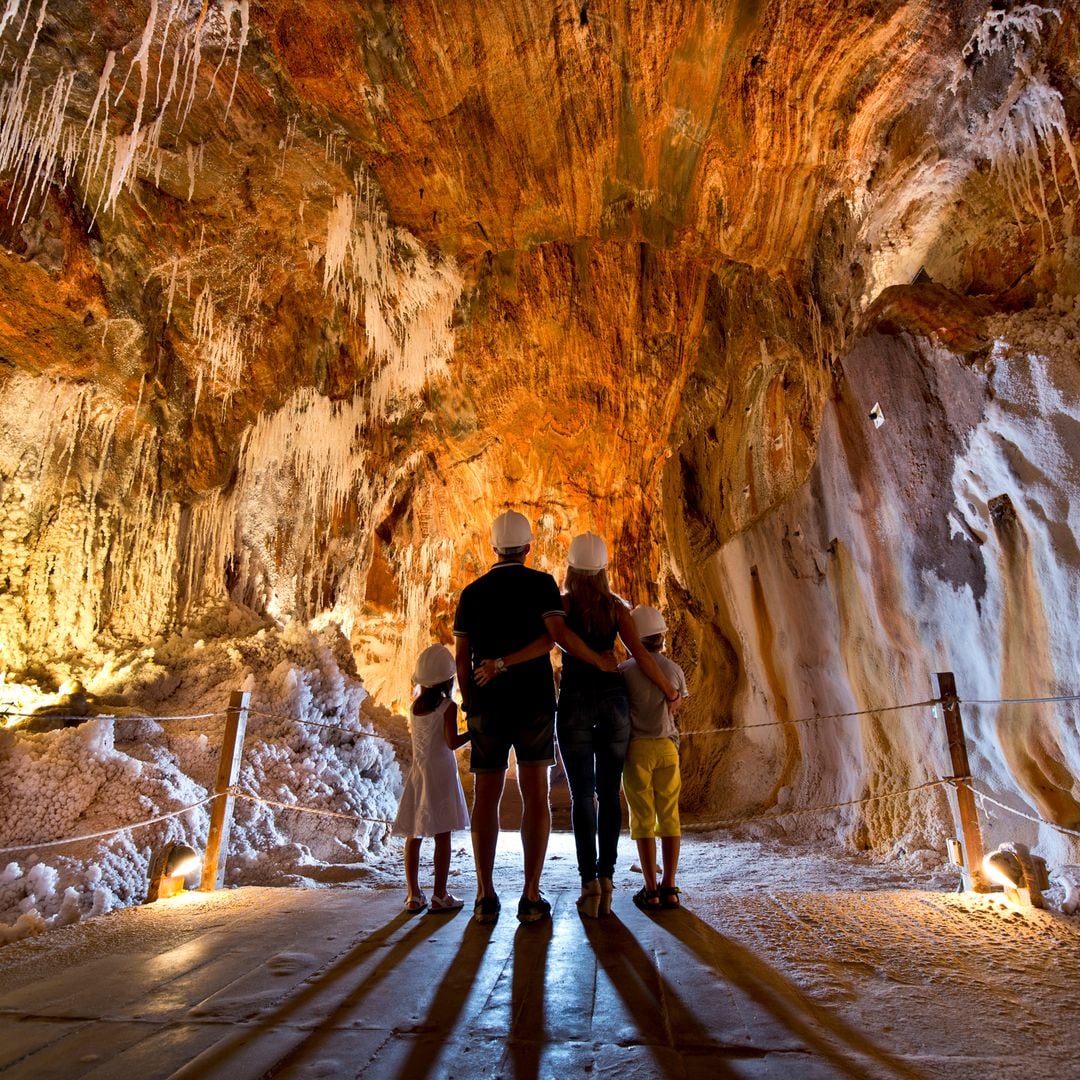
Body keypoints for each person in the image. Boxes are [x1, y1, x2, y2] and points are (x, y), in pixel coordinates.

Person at [455, 511, 616, 924]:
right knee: (535, 795)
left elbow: (462, 655)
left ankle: (484, 894)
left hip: (487, 703)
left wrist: (471, 699)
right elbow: (552, 639)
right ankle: (530, 895)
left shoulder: (472, 593)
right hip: (534, 702)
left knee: (485, 796)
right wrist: (510, 662)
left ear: (493, 548)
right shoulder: (542, 584)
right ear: (527, 547)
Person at [555, 533, 680, 918]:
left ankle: (589, 883)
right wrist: (668, 690)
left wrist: (590, 659)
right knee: (610, 795)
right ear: (604, 571)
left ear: (573, 570)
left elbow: (558, 639)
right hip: (613, 704)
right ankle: (608, 879)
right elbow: (640, 654)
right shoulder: (616, 608)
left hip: (575, 699)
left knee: (583, 797)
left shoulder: (562, 607)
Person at [392, 644, 471, 914]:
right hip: (441, 775)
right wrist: (473, 733)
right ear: (448, 680)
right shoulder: (448, 707)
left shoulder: (415, 707)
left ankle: (413, 894)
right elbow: (451, 743)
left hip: (419, 772)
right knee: (443, 835)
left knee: (414, 834)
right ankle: (440, 894)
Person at [619, 604, 688, 912]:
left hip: (637, 749)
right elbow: (677, 705)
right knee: (669, 815)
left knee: (643, 818)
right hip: (667, 748)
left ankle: (650, 889)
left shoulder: (624, 671)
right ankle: (670, 886)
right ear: (661, 636)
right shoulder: (674, 670)